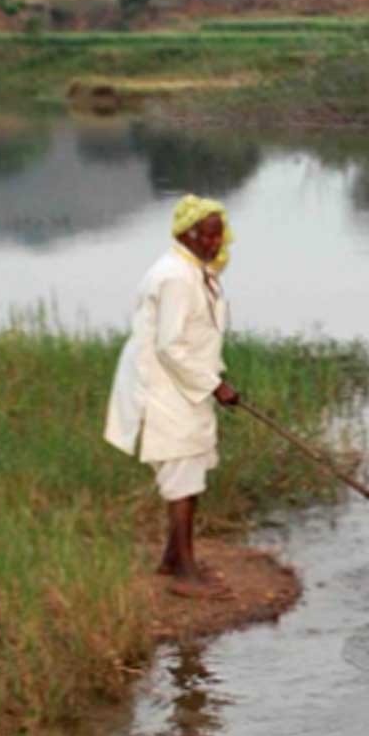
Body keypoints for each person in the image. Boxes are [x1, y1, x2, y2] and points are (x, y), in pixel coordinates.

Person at [104, 194, 241, 599]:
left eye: (220, 235)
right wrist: (216, 386)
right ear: (187, 233)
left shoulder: (194, 271)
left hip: (185, 386)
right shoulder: (176, 277)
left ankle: (172, 559)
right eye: (209, 235)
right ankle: (184, 572)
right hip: (164, 387)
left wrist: (210, 381)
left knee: (192, 468)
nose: (217, 243)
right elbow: (169, 347)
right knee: (181, 475)